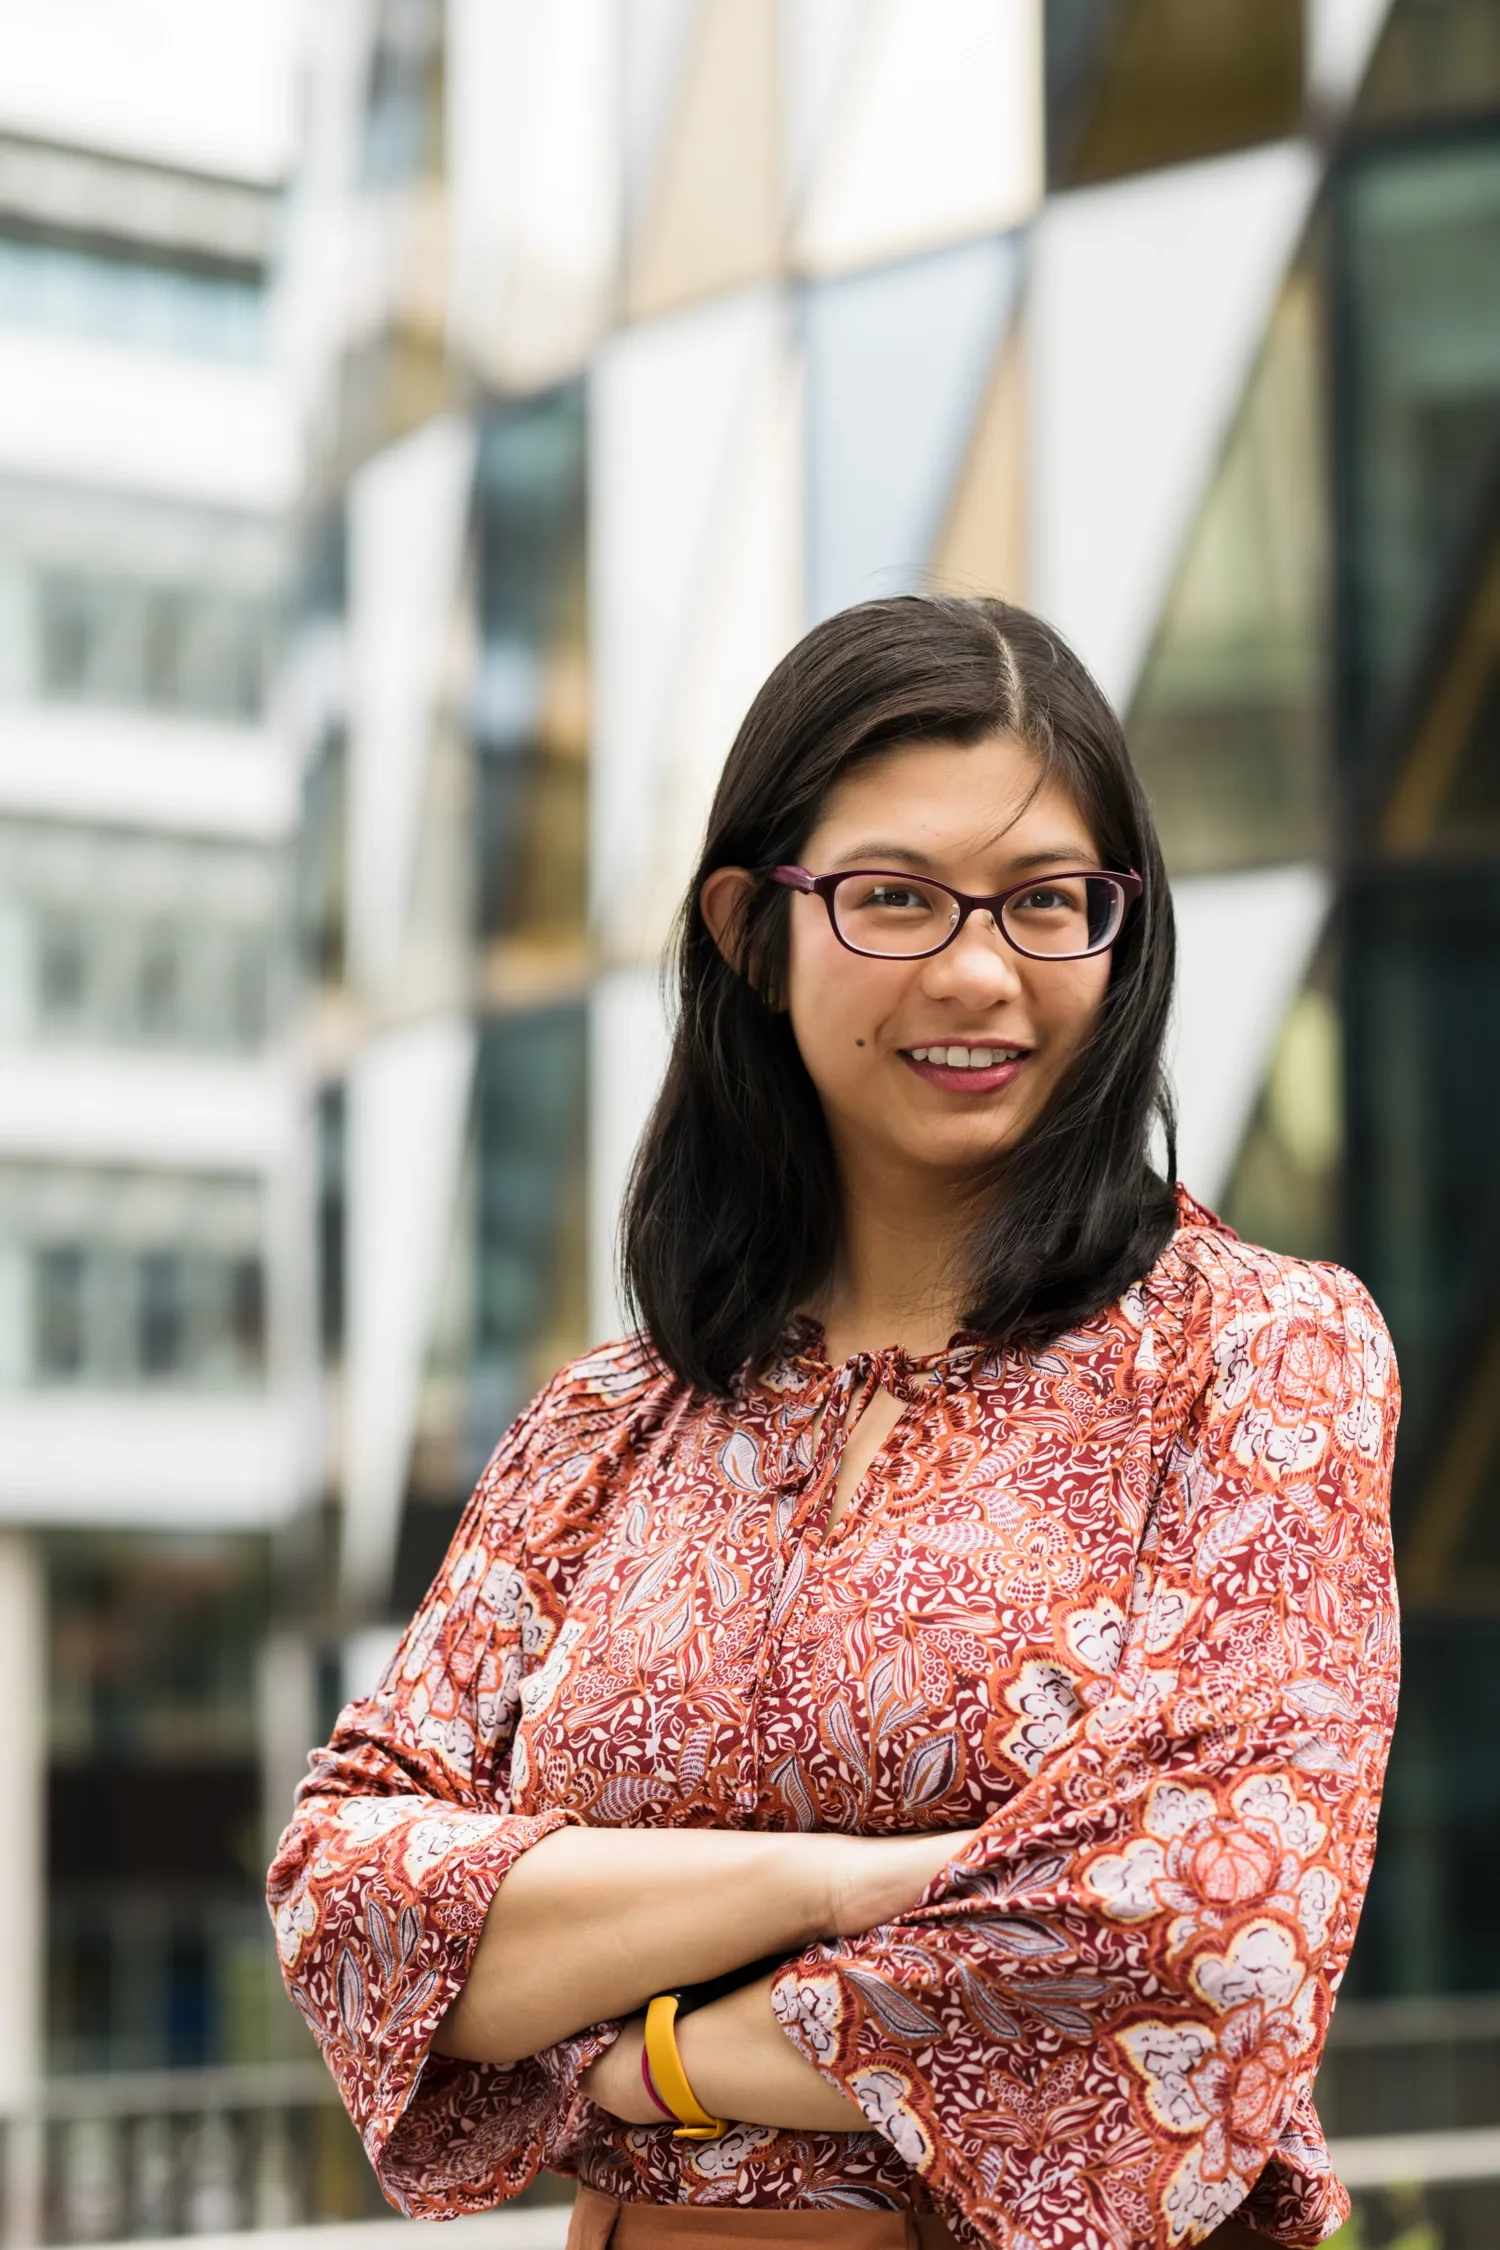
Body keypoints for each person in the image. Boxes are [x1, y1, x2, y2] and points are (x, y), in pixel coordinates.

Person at [268, 597, 1399, 2250]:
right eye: (893, 898)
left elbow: (1203, 1938)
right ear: (751, 927)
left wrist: (640, 2050)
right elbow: (343, 1896)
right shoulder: (608, 1425)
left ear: (1120, 929)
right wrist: (839, 1883)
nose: (978, 971)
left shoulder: (1256, 1356)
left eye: (1047, 902)